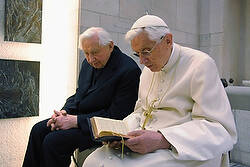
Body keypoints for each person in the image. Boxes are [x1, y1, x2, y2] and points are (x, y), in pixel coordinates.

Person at [83, 15, 237, 167]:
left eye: (146, 51)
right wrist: (121, 134)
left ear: (168, 40)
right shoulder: (148, 71)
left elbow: (219, 129)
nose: (142, 61)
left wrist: (162, 139)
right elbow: (140, 112)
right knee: (92, 161)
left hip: (182, 148)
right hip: (144, 141)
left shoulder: (200, 65)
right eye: (138, 54)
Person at [22, 27, 141, 167]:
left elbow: (118, 115)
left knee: (54, 141)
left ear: (110, 46)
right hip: (80, 118)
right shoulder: (88, 63)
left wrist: (76, 121)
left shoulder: (129, 70)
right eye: (86, 53)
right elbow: (79, 94)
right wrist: (63, 113)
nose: (91, 59)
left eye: (95, 53)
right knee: (38, 130)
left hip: (102, 127)